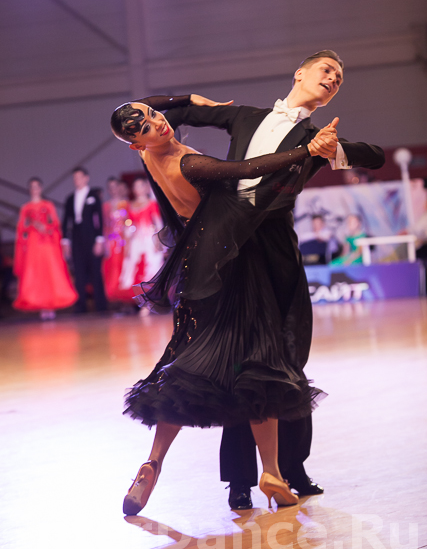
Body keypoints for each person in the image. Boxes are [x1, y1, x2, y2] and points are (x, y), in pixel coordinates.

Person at [152, 50, 385, 510]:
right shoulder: (245, 117)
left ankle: (291, 469)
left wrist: (334, 150)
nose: (333, 78)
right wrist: (166, 110)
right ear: (300, 74)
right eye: (327, 70)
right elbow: (171, 112)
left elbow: (374, 156)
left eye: (339, 78)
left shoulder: (316, 137)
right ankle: (240, 480)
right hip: (229, 246)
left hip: (276, 249)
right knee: (237, 361)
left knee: (289, 356)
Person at [110, 87, 353, 516]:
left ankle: (154, 461)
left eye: (152, 115)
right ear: (136, 143)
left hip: (197, 270)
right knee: (258, 364)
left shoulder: (149, 155)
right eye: (146, 127)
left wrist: (186, 99)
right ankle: (272, 472)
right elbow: (247, 168)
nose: (158, 123)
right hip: (231, 268)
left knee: (186, 368)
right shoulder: (188, 163)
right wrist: (306, 152)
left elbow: (144, 110)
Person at [13, 177, 78, 319]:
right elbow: (21, 227)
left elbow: (55, 223)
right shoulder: (26, 208)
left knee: (49, 271)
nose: (34, 190)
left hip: (47, 241)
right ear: (29, 190)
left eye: (37, 187)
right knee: (36, 273)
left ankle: (50, 305)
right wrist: (32, 226)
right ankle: (41, 304)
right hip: (33, 243)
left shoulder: (48, 205)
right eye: (32, 187)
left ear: (41, 189)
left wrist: (46, 227)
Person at [62, 167, 108, 313]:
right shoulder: (70, 198)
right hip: (76, 239)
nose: (77, 180)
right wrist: (65, 241)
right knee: (79, 272)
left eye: (80, 177)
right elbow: (66, 221)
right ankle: (80, 305)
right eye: (75, 178)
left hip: (92, 237)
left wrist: (99, 240)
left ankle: (100, 305)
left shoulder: (93, 196)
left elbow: (99, 218)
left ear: (86, 178)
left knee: (95, 271)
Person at [118, 176, 164, 310]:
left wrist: (158, 241)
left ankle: (151, 302)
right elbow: (128, 227)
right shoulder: (130, 205)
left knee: (151, 268)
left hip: (149, 240)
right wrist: (127, 243)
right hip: (136, 241)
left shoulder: (151, 204)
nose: (138, 189)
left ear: (145, 188)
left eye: (140, 186)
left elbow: (158, 223)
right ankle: (140, 302)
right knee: (134, 268)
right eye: (135, 186)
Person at [103, 176, 129, 301]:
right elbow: (105, 225)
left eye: (115, 187)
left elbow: (130, 223)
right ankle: (115, 298)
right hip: (112, 241)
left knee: (124, 267)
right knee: (113, 268)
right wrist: (105, 243)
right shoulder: (106, 206)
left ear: (119, 187)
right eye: (110, 187)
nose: (113, 190)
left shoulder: (126, 204)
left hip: (124, 241)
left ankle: (126, 297)